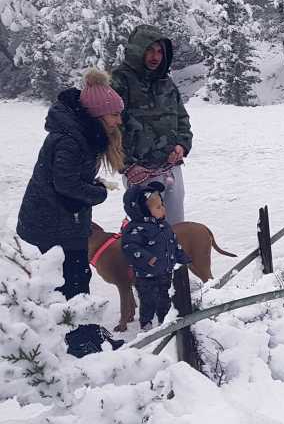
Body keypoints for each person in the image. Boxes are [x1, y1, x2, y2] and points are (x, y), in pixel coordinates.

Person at [16, 69, 125, 299]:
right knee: (69, 282)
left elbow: (68, 178)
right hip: (49, 226)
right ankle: (79, 334)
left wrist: (90, 184)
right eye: (114, 114)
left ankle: (82, 332)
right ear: (98, 115)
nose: (118, 120)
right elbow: (65, 184)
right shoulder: (70, 139)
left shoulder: (83, 134)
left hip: (63, 221)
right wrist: (99, 193)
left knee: (76, 277)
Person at [111, 25, 192, 224]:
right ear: (138, 50)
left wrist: (182, 145)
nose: (155, 57)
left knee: (175, 226)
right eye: (149, 50)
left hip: (170, 167)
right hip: (140, 172)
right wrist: (128, 166)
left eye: (159, 52)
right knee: (148, 230)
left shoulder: (167, 83)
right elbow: (111, 129)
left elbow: (182, 119)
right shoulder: (120, 82)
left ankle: (174, 255)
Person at [120, 182, 191, 329]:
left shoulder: (164, 226)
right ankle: (146, 325)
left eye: (162, 205)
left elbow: (173, 244)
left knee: (165, 300)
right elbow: (130, 247)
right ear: (143, 210)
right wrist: (148, 259)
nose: (163, 209)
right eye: (158, 207)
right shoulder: (135, 229)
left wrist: (182, 257)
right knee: (148, 301)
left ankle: (164, 324)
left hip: (165, 272)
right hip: (146, 277)